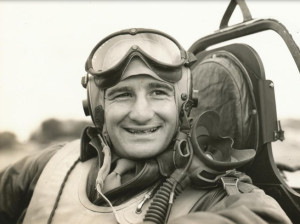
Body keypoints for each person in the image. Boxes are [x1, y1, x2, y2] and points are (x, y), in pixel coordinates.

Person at [0, 28, 292, 224]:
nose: (141, 113)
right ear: (96, 108)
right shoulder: (49, 165)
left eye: (158, 92)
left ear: (184, 104)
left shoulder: (219, 194)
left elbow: (262, 217)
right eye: (122, 94)